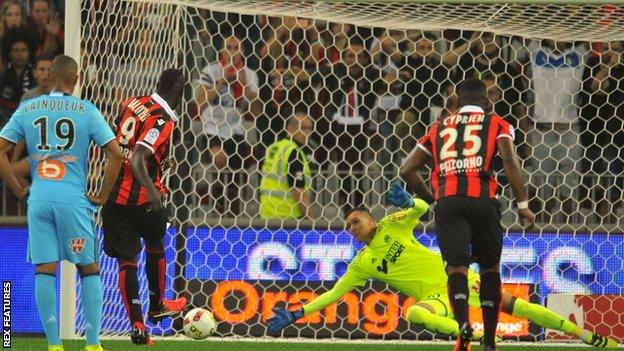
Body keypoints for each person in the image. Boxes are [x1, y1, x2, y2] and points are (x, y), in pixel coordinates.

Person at [266, 184, 618, 348]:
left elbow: (421, 208)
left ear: (371, 220)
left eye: (356, 220)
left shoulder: (392, 224)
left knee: (518, 306)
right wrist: (298, 313)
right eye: (348, 226)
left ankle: (588, 336)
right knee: (414, 314)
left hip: (459, 279)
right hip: (438, 299)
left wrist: (409, 200)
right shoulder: (362, 264)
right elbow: (333, 294)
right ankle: (472, 333)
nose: (352, 227)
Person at [399, 78, 536, 351]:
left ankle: (463, 325)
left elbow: (406, 169)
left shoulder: (438, 127)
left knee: (456, 269)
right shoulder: (496, 122)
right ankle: (489, 342)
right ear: (488, 102)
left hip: (449, 200)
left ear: (457, 102)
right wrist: (522, 204)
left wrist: (432, 198)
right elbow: (509, 158)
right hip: (483, 200)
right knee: (489, 269)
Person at [0, 55, 123, 351]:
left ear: (49, 77)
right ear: (76, 78)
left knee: (45, 269)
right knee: (89, 268)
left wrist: (17, 188)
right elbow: (116, 154)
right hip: (73, 199)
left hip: (40, 198)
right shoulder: (86, 110)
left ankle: (54, 345)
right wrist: (103, 196)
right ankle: (92, 344)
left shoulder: (28, 107)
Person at [101, 68, 187, 345]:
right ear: (179, 93)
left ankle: (137, 325)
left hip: (114, 196)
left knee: (127, 261)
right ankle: (158, 304)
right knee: (156, 243)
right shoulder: (161, 119)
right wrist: (151, 189)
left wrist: (159, 162)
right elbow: (138, 157)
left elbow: (120, 142)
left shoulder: (132, 102)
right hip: (141, 198)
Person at [259, 112, 315, 220]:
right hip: (288, 218)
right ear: (290, 128)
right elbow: (298, 192)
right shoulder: (293, 152)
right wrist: (313, 222)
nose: (307, 132)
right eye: (303, 128)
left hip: (266, 216)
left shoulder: (274, 148)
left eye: (310, 128)